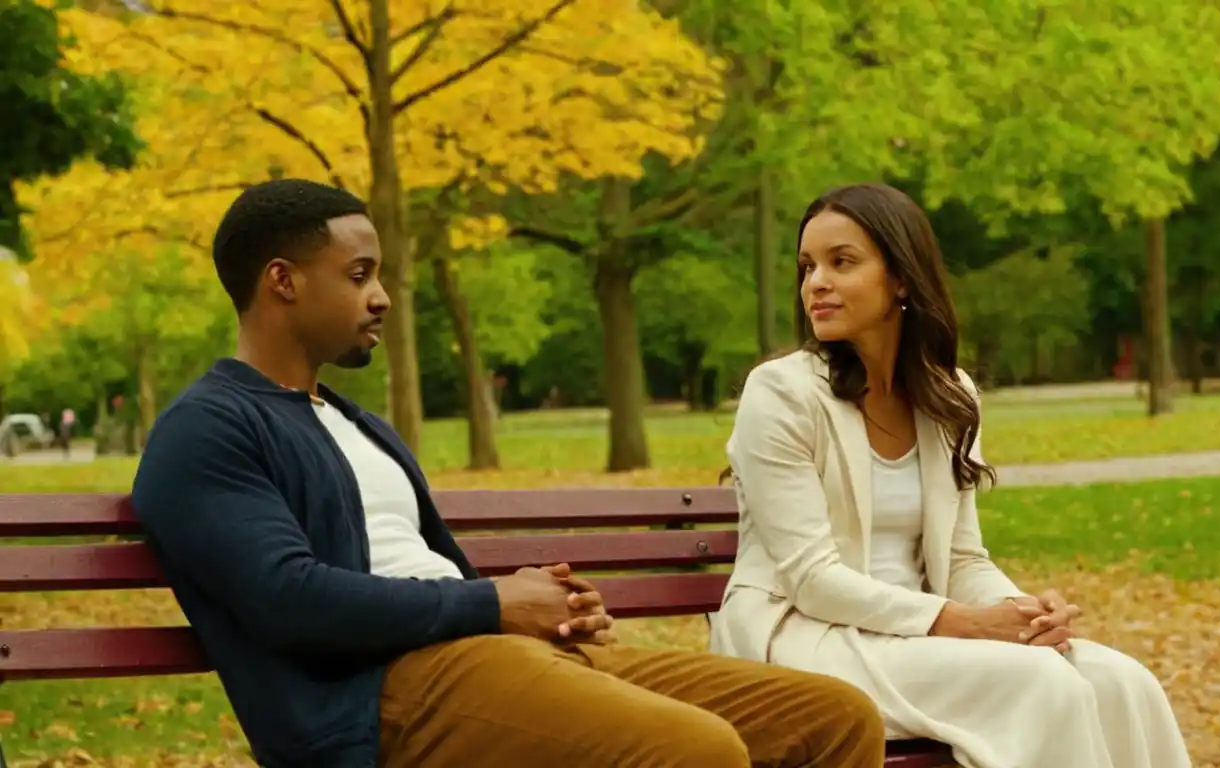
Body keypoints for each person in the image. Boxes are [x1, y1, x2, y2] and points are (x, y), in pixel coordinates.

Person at [130, 179, 886, 768]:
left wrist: (543, 609)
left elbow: (426, 575)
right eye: (359, 274)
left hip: (500, 659)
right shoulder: (208, 429)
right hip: (378, 699)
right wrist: (493, 602)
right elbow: (287, 601)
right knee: (694, 751)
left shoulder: (353, 423)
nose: (382, 296)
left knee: (834, 719)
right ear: (282, 281)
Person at [709, 183, 1192, 768]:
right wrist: (962, 624)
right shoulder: (781, 392)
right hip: (802, 637)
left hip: (915, 635)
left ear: (903, 278)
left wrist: (1024, 613)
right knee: (1044, 686)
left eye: (842, 262)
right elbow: (813, 579)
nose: (816, 282)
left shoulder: (949, 395)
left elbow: (963, 559)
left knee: (1123, 682)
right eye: (808, 266)